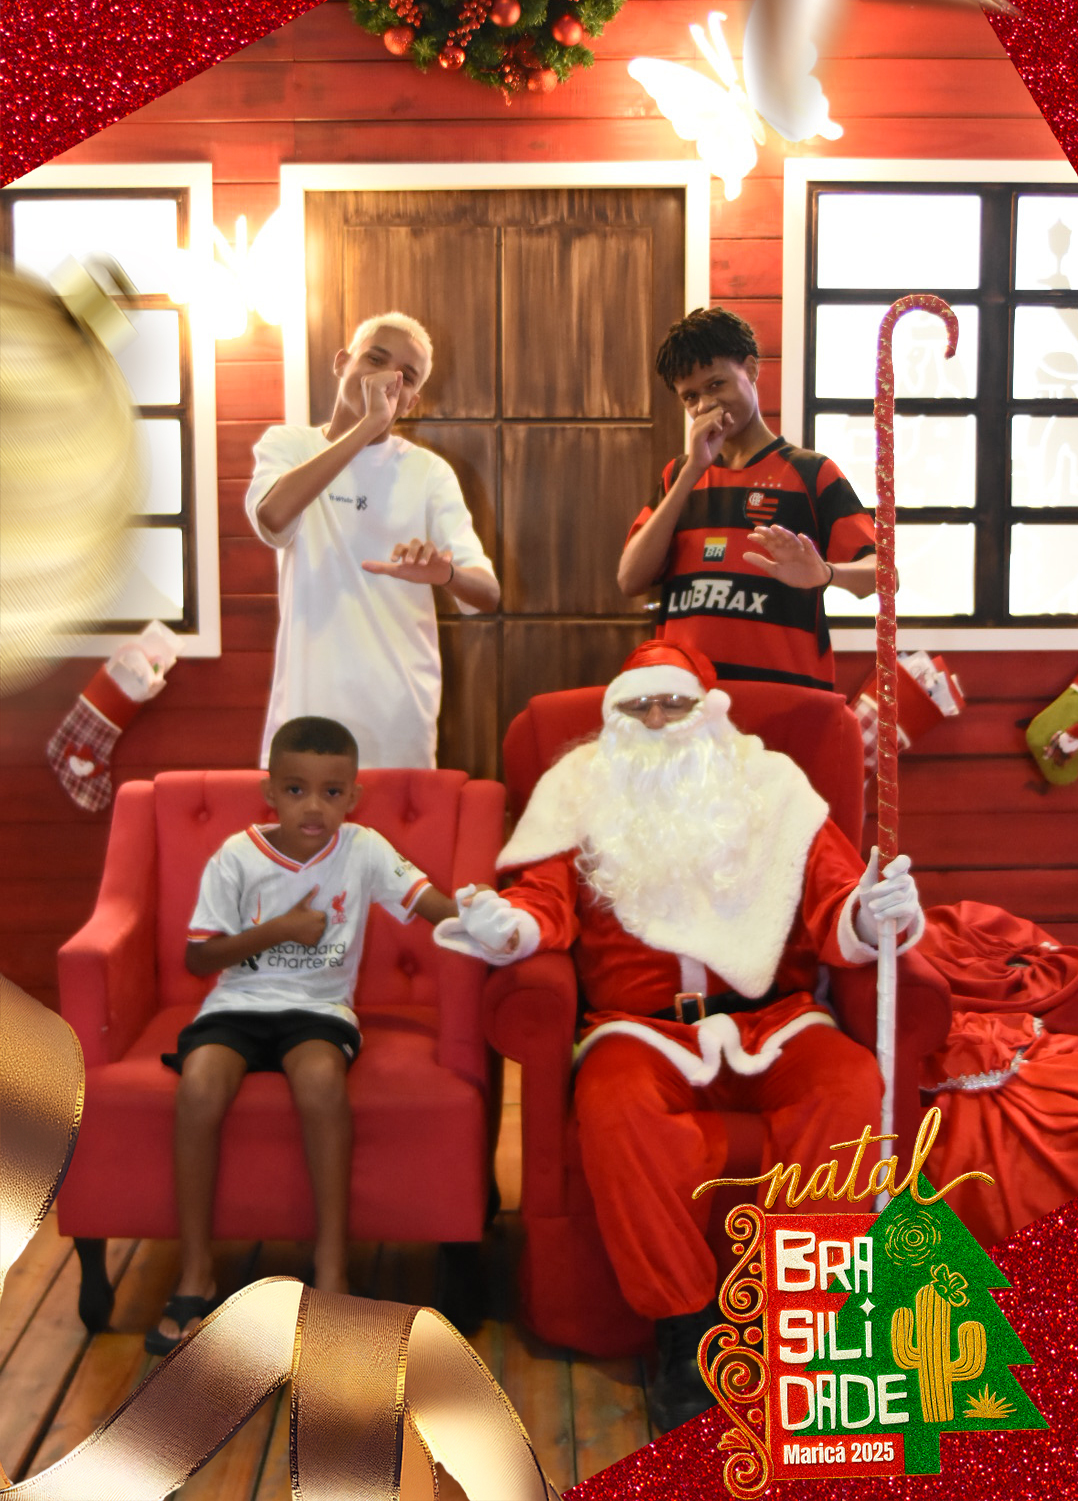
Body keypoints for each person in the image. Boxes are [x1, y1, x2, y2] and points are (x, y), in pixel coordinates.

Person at [436, 641, 922, 1431]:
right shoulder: (578, 789)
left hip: (775, 1019)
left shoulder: (774, 786)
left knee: (847, 1088)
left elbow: (836, 892)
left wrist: (873, 913)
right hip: (640, 1029)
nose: (658, 719)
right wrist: (509, 925)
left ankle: (805, 1322)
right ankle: (688, 1333)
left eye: (674, 703)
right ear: (614, 718)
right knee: (617, 1108)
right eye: (639, 706)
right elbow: (543, 897)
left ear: (709, 712)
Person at [146, 715, 458, 1355]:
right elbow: (199, 959)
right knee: (198, 1087)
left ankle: (331, 1275)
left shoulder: (364, 849)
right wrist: (280, 929)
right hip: (237, 1004)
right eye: (295, 790)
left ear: (353, 796)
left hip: (319, 1009)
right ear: (270, 791)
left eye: (331, 792)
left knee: (320, 1082)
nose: (313, 807)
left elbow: (434, 907)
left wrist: (495, 923)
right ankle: (195, 1273)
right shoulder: (235, 857)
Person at [247, 312, 499, 768]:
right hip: (307, 716)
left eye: (405, 378)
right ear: (342, 362)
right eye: (375, 360)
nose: (387, 380)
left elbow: (487, 593)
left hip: (398, 720)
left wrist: (445, 573)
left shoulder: (429, 472)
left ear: (412, 401)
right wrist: (368, 425)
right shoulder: (288, 446)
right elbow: (273, 516)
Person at [618, 306, 876, 691]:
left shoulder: (812, 473)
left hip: (786, 699)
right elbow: (630, 579)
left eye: (716, 384)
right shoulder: (677, 476)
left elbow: (883, 576)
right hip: (690, 702)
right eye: (690, 397)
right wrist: (693, 471)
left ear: (751, 369)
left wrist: (826, 574)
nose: (705, 405)